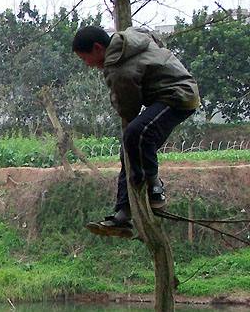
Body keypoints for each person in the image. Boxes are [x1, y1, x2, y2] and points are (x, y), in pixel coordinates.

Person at [72, 24, 200, 238]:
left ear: (97, 48)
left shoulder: (119, 67)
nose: (87, 65)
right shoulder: (131, 38)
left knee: (136, 133)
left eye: (85, 58)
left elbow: (128, 107)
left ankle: (153, 187)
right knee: (129, 148)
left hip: (178, 96)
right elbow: (153, 36)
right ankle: (123, 213)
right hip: (167, 95)